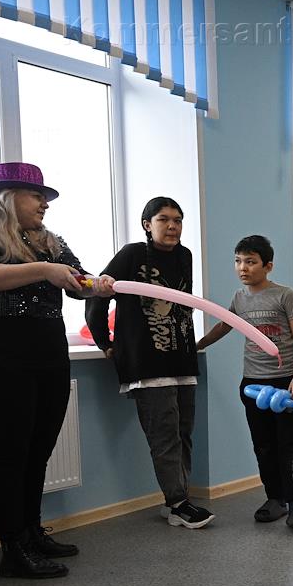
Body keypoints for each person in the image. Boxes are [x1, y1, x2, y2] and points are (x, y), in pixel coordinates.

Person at [0, 162, 114, 578]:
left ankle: (31, 533)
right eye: (37, 196)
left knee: (39, 451)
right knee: (11, 453)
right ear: (7, 197)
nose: (45, 204)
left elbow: (77, 283)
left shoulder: (51, 241)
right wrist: (45, 269)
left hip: (48, 351)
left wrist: (97, 283)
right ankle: (13, 549)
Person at [86, 197, 213, 528]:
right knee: (164, 435)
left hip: (182, 359)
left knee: (184, 433)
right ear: (147, 224)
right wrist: (105, 342)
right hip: (146, 362)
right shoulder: (131, 255)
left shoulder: (185, 256)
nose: (172, 226)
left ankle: (176, 500)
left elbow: (182, 304)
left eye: (178, 220)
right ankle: (179, 502)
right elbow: (97, 295)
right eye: (164, 219)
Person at [197, 235, 293, 528]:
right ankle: (275, 499)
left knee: (289, 444)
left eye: (250, 261)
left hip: (285, 382)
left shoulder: (284, 295)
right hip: (253, 383)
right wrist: (198, 345)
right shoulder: (239, 298)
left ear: (267, 265)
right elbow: (225, 325)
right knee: (263, 444)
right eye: (238, 261)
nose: (242, 268)